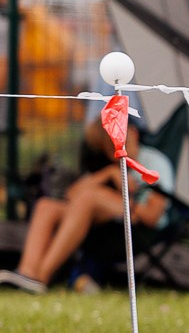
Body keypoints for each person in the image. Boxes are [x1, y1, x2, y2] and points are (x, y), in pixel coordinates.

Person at [0, 118, 174, 293]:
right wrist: (109, 174)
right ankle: (26, 271)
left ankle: (41, 277)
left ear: (133, 133)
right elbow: (71, 195)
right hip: (102, 224)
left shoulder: (154, 162)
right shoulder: (110, 162)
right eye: (108, 147)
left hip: (138, 225)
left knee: (90, 197)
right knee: (47, 206)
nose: (113, 150)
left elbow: (153, 216)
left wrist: (127, 193)